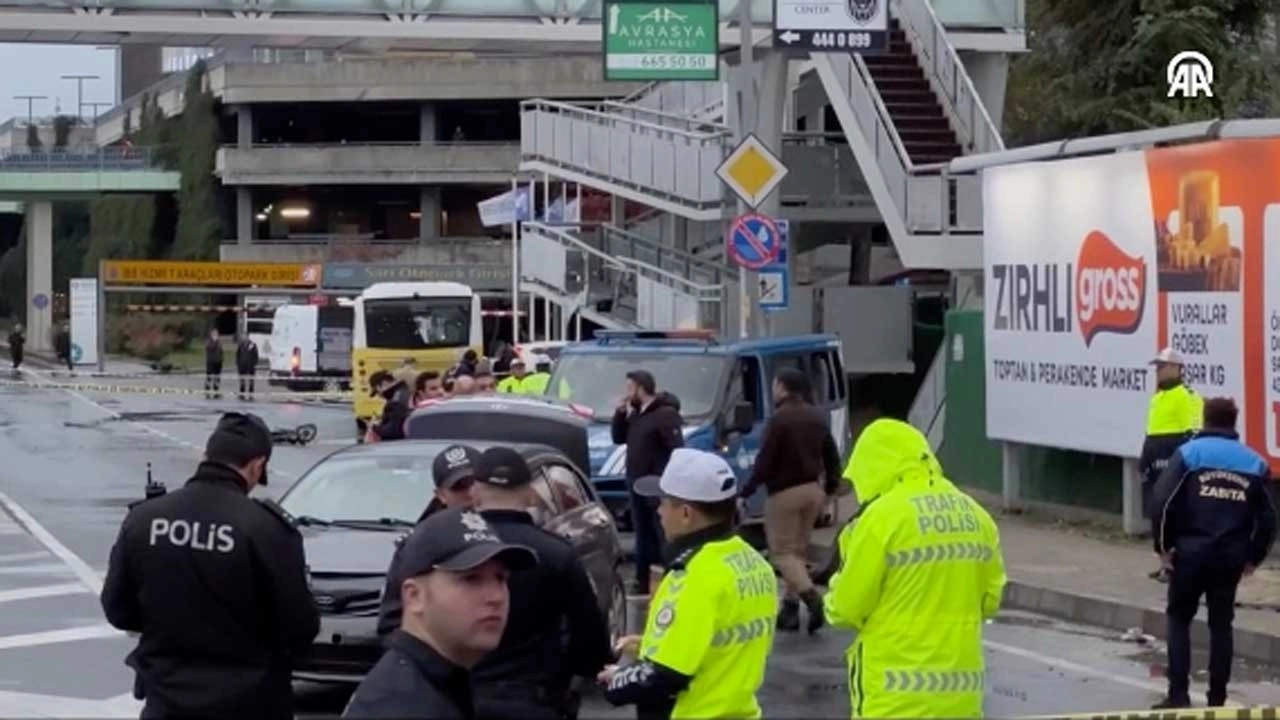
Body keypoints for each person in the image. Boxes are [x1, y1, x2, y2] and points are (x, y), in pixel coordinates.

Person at [100, 412, 319, 720]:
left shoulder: (144, 519)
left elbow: (118, 610)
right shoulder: (267, 529)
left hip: (167, 700)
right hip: (251, 703)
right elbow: (300, 627)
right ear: (257, 465)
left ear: (205, 455)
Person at [824, 418, 1005, 718]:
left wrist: (831, 593)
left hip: (894, 700)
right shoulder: (977, 516)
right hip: (962, 697)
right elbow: (990, 601)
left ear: (876, 465)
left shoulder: (880, 519)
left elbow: (845, 608)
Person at [599, 448, 776, 719]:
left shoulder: (693, 575)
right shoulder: (754, 562)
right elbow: (718, 641)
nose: (658, 511)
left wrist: (617, 680)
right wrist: (648, 644)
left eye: (663, 502)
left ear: (685, 513)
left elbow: (665, 675)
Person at [343, 507, 538, 719]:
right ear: (415, 596)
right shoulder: (403, 703)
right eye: (471, 579)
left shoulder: (436, 680)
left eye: (501, 578)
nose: (496, 597)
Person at [466, 447, 614, 720]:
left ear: (475, 491)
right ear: (529, 494)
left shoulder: (450, 549)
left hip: (460, 697)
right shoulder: (556, 553)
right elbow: (587, 632)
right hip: (536, 697)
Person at [1149, 397, 1276, 709]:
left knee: (1179, 619)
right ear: (1234, 423)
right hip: (1230, 558)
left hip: (1189, 555)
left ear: (1206, 421)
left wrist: (1163, 547)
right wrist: (1253, 558)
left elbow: (1161, 502)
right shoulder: (1254, 462)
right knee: (1221, 625)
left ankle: (1178, 695)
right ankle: (1217, 700)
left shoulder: (1190, 454)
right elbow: (1270, 519)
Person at [740, 366, 842, 634]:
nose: (773, 390)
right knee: (797, 551)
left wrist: (746, 490)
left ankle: (812, 598)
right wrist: (831, 487)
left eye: (775, 385)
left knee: (782, 553)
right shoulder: (817, 417)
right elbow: (831, 455)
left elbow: (765, 461)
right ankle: (790, 609)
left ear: (783, 387)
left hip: (785, 493)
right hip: (813, 491)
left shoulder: (779, 420)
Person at [377, 444, 481, 639]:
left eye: (474, 482)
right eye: (459, 487)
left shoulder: (509, 535)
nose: (469, 493)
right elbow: (392, 621)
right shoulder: (418, 545)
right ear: (440, 495)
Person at [612, 369, 684, 594]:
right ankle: (642, 578)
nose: (627, 393)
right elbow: (618, 438)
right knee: (642, 533)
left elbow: (676, 448)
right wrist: (619, 414)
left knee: (660, 531)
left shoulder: (663, 414)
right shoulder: (636, 414)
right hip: (635, 481)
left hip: (656, 483)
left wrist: (666, 476)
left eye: (630, 388)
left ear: (642, 388)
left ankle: (671, 575)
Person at [1140, 348, 1204, 582]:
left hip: (1174, 455)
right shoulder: (1156, 398)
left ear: (1177, 368)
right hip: (1155, 454)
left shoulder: (1188, 396)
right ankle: (1163, 559)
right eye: (1157, 367)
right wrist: (1144, 458)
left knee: (1174, 510)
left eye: (1163, 366)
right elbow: (1151, 432)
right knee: (1156, 510)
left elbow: (1193, 433)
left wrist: (1181, 462)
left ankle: (1175, 563)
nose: (1159, 371)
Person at [366, 368, 413, 442]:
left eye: (377, 391)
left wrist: (373, 427)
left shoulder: (395, 402)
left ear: (382, 384)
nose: (379, 395)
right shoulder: (405, 391)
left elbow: (392, 431)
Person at [235, 334, 259, 401]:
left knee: (251, 380)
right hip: (242, 365)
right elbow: (237, 354)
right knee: (242, 380)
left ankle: (251, 395)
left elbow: (256, 355)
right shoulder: (241, 345)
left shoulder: (252, 345)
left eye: (246, 337)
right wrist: (238, 363)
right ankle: (242, 394)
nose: (244, 338)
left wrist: (254, 363)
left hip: (250, 365)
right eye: (243, 337)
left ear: (248, 337)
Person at [204, 328, 224, 399]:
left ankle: (216, 392)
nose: (216, 335)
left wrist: (221, 359)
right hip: (210, 362)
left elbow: (221, 351)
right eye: (214, 334)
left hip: (218, 362)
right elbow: (210, 348)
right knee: (209, 377)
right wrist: (215, 342)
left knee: (217, 378)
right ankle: (207, 392)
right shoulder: (209, 341)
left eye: (216, 334)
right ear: (211, 334)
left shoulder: (219, 342)